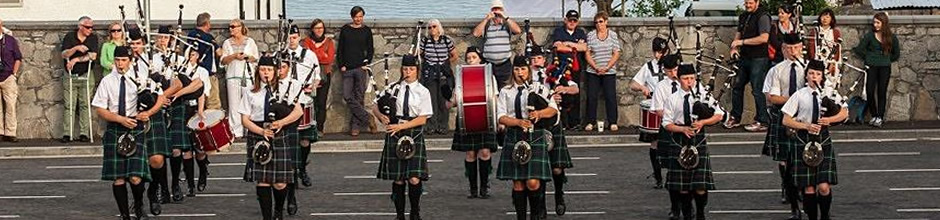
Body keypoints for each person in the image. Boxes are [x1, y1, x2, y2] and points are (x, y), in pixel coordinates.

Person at [781, 59, 848, 220]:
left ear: (822, 76)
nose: (814, 77)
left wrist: (829, 120)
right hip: (804, 140)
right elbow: (786, 120)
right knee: (809, 188)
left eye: (818, 74)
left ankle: (824, 216)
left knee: (824, 187)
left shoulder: (829, 93)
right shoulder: (799, 95)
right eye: (811, 73)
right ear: (806, 75)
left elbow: (844, 113)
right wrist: (805, 126)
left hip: (823, 139)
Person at [238, 55, 303, 220]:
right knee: (263, 181)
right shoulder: (251, 91)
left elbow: (298, 112)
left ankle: (278, 212)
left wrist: (281, 122)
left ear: (275, 71)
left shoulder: (284, 90)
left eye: (268, 69)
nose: (265, 73)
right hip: (258, 134)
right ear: (257, 71)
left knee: (280, 182)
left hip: (278, 134)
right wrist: (261, 132)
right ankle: (266, 217)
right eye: (262, 69)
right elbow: (244, 119)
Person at [496, 56, 557, 220]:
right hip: (515, 135)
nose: (519, 72)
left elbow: (553, 109)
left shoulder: (538, 88)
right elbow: (500, 116)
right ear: (513, 71)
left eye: (522, 69)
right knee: (518, 182)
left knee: (532, 182)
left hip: (534, 135)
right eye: (516, 69)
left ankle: (536, 215)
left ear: (528, 70)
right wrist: (517, 121)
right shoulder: (505, 91)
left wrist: (539, 113)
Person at [92, 46, 149, 220]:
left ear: (130, 61)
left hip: (135, 127)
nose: (120, 64)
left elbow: (158, 97)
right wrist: (119, 119)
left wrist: (148, 113)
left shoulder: (140, 80)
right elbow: (100, 109)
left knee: (135, 178)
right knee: (118, 178)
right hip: (115, 127)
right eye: (117, 60)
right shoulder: (107, 81)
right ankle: (125, 215)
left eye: (123, 60)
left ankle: (138, 204)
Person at [373, 55, 433, 220]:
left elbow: (423, 118)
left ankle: (415, 212)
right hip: (394, 132)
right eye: (405, 69)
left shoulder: (423, 91)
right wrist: (381, 116)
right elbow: (375, 105)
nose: (408, 72)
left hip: (413, 132)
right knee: (399, 179)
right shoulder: (392, 88)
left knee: (414, 178)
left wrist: (402, 126)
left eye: (411, 69)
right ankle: (399, 215)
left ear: (417, 71)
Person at [661, 64, 723, 220]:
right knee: (683, 188)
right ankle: (688, 215)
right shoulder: (673, 99)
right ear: (678, 79)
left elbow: (719, 115)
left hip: (698, 138)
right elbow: (666, 123)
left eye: (692, 78)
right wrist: (682, 129)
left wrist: (703, 123)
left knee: (700, 186)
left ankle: (701, 213)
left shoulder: (704, 96)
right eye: (685, 78)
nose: (689, 82)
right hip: (679, 139)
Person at [125, 29, 172, 216]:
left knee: (157, 159)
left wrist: (159, 101)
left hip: (152, 114)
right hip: (131, 115)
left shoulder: (156, 60)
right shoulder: (123, 63)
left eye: (138, 43)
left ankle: (153, 192)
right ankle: (138, 201)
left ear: (143, 43)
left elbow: (175, 83)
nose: (135, 47)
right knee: (136, 165)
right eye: (132, 44)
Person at [761, 33, 805, 220]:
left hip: (805, 117)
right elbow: (772, 97)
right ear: (783, 49)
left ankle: (801, 186)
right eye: (788, 48)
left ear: (801, 47)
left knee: (804, 156)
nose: (792, 51)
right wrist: (796, 100)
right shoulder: (776, 70)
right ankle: (787, 187)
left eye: (795, 48)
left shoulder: (809, 68)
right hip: (783, 115)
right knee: (785, 158)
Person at [530, 46, 574, 217]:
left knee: (556, 168)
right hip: (535, 126)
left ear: (544, 60)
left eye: (538, 58)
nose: (535, 61)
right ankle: (541, 207)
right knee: (538, 170)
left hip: (553, 123)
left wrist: (562, 91)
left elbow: (574, 88)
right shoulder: (526, 77)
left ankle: (559, 194)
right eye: (532, 58)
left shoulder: (554, 74)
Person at [451, 46, 498, 199]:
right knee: (470, 153)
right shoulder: (460, 76)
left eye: (474, 57)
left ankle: (484, 186)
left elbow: (494, 98)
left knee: (484, 152)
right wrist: (450, 100)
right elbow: (453, 101)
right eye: (469, 58)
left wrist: (497, 119)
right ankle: (473, 188)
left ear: (480, 59)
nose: (471, 60)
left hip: (486, 117)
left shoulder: (489, 76)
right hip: (467, 118)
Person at [164, 49, 209, 202]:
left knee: (197, 149)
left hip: (193, 110)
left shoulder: (200, 71)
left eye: (194, 54)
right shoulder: (170, 71)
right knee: (177, 150)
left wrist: (200, 110)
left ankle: (200, 173)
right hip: (176, 111)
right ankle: (176, 184)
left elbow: (200, 87)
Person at [727, 0, 771, 132]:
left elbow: (764, 38)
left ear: (758, 2)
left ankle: (763, 120)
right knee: (737, 86)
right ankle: (735, 117)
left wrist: (742, 42)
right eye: (746, 2)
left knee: (757, 90)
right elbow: (738, 35)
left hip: (759, 58)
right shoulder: (743, 16)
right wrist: (734, 48)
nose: (748, 5)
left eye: (750, 2)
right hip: (744, 57)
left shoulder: (763, 16)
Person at [853, 12, 900, 127]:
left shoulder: (891, 37)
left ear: (884, 23)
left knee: (881, 91)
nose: (875, 25)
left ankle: (880, 116)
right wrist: (869, 57)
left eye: (878, 22)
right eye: (874, 22)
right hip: (871, 66)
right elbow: (859, 49)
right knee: (869, 90)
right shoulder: (869, 36)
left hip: (884, 67)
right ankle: (874, 115)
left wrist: (886, 59)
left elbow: (896, 54)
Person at [650, 54, 682, 219]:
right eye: (670, 71)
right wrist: (678, 116)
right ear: (664, 70)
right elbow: (658, 110)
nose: (674, 74)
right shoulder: (661, 87)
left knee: (690, 169)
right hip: (669, 130)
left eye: (676, 69)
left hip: (687, 130)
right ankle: (675, 207)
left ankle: (689, 206)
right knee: (673, 171)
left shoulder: (690, 84)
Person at [338, 6, 376, 137]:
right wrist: (341, 64)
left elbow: (370, 49)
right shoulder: (345, 30)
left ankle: (355, 126)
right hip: (347, 68)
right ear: (352, 17)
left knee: (359, 97)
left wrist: (367, 63)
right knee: (347, 95)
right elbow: (340, 49)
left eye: (360, 16)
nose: (358, 19)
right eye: (356, 16)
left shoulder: (366, 31)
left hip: (361, 68)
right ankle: (367, 117)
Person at [60, 16, 99, 143]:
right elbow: (64, 54)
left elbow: (93, 55)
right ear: (80, 27)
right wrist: (76, 49)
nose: (90, 30)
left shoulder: (92, 38)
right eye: (88, 27)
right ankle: (67, 133)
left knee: (85, 104)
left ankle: (84, 133)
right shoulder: (70, 37)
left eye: (92, 27)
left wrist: (76, 59)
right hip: (70, 74)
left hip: (86, 73)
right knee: (69, 105)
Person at [221, 18, 259, 138]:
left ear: (240, 27)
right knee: (234, 105)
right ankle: (236, 132)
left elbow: (256, 58)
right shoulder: (227, 43)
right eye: (230, 27)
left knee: (248, 104)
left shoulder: (250, 41)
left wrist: (247, 57)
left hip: (247, 76)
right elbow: (223, 60)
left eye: (233, 26)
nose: (231, 29)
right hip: (232, 76)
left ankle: (249, 129)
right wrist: (234, 56)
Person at [472, 0, 522, 89]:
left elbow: (518, 30)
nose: (497, 13)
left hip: (504, 64)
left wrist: (505, 17)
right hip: (489, 64)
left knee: (506, 89)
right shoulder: (487, 25)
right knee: (488, 89)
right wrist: (487, 19)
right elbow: (476, 34)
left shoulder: (507, 24)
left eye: (499, 9)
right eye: (495, 9)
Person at [584, 11, 621, 132]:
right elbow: (587, 53)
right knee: (591, 96)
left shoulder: (613, 35)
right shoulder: (590, 35)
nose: (598, 24)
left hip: (609, 71)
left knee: (610, 96)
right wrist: (595, 67)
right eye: (596, 22)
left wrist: (607, 67)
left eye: (601, 21)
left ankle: (613, 122)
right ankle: (590, 121)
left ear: (606, 22)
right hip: (593, 71)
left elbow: (616, 53)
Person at [551, 10, 587, 131]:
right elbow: (557, 46)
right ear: (565, 20)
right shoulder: (558, 31)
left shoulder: (580, 32)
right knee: (561, 93)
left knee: (575, 94)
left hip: (576, 68)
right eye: (570, 20)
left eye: (574, 20)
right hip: (560, 68)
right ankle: (563, 122)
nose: (572, 22)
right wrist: (575, 46)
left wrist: (567, 44)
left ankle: (574, 122)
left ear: (577, 21)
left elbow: (584, 48)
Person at [420, 19, 457, 135]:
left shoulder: (446, 41)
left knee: (443, 101)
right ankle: (431, 125)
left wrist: (444, 64)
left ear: (439, 27)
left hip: (444, 76)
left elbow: (455, 55)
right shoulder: (425, 41)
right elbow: (419, 54)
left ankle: (443, 125)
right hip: (430, 76)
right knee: (431, 101)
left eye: (434, 27)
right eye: (430, 27)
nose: (432, 29)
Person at [302, 18, 336, 134]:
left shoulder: (329, 42)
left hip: (324, 75)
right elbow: (307, 58)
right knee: (310, 102)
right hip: (309, 76)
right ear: (312, 29)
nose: (319, 30)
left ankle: (320, 128)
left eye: (321, 28)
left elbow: (329, 59)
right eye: (316, 28)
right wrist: (322, 54)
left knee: (321, 102)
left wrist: (315, 54)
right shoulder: (307, 41)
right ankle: (309, 126)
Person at [187, 12, 222, 110]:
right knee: (213, 104)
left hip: (193, 73)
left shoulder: (190, 35)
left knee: (196, 104)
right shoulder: (208, 38)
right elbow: (219, 53)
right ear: (207, 24)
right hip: (208, 73)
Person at [808, 8, 843, 88]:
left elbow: (837, 49)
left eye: (827, 17)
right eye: (823, 16)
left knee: (830, 85)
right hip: (818, 61)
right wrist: (816, 63)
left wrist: (832, 63)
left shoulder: (835, 32)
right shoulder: (814, 31)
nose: (825, 19)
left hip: (831, 61)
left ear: (831, 19)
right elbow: (811, 49)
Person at [0, 19, 21, 142]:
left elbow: (18, 58)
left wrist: (14, 73)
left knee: (11, 105)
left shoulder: (9, 40)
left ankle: (10, 132)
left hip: (8, 76)